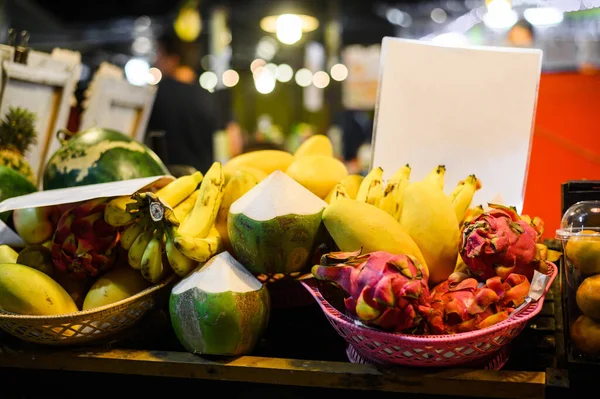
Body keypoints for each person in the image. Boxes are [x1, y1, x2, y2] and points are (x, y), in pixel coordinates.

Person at [146, 29, 217, 174]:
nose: (156, 61)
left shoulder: (157, 94)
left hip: (170, 186)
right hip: (207, 183)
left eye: (159, 54)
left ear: (173, 59)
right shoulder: (209, 96)